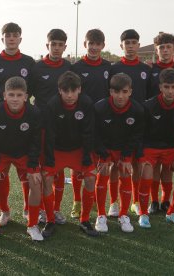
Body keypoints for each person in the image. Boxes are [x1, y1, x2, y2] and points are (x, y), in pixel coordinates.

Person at [0, 23, 36, 226]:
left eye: (15, 35)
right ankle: (4, 212)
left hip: (23, 121)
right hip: (0, 121)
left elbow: (35, 90)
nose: (11, 38)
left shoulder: (29, 62)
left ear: (20, 39)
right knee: (1, 173)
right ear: (2, 38)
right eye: (8, 35)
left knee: (26, 172)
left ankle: (26, 208)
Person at [0, 77, 42, 242]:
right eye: (11, 94)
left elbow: (35, 143)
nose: (15, 98)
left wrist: (32, 168)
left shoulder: (34, 113)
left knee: (36, 181)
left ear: (26, 96)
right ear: (4, 95)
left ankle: (32, 225)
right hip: (1, 153)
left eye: (19, 95)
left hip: (24, 153)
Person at [41, 71, 98, 238]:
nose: (70, 95)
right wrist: (49, 159)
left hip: (78, 149)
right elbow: (49, 135)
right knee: (47, 178)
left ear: (79, 90)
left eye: (73, 91)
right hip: (58, 150)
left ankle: (85, 220)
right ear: (60, 90)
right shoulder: (52, 105)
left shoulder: (86, 103)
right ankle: (50, 221)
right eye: (66, 91)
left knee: (90, 178)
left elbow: (89, 132)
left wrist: (87, 157)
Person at [138, 68, 174, 228]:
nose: (170, 91)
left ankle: (172, 212)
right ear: (160, 87)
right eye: (166, 87)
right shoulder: (148, 106)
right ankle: (143, 214)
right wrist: (141, 155)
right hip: (150, 147)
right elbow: (140, 134)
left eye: (173, 87)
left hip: (172, 148)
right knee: (146, 175)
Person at [29, 28, 71, 224]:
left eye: (60, 45)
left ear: (65, 47)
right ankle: (37, 210)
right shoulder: (37, 68)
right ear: (47, 45)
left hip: (62, 126)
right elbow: (26, 96)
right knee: (39, 168)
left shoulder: (69, 67)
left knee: (58, 168)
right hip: (40, 126)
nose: (56, 48)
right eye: (53, 44)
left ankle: (55, 209)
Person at [94, 73, 144, 233]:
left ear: (130, 91)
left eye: (124, 91)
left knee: (125, 174)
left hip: (123, 149)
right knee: (102, 174)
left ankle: (123, 214)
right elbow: (95, 134)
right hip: (105, 149)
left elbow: (136, 135)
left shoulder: (137, 109)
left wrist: (126, 157)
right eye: (116, 92)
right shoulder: (100, 107)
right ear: (111, 92)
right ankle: (101, 215)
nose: (120, 96)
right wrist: (104, 156)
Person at [109, 29, 151, 217]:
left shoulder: (145, 70)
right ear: (121, 46)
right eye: (127, 43)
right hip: (117, 122)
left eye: (134, 42)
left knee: (136, 164)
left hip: (139, 122)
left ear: (139, 45)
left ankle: (134, 201)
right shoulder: (114, 68)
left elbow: (149, 96)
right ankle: (113, 203)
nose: (131, 46)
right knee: (115, 165)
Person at [70, 29, 111, 219]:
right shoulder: (76, 67)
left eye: (97, 44)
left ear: (102, 45)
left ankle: (95, 199)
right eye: (90, 43)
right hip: (81, 119)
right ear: (85, 44)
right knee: (79, 160)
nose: (94, 47)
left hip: (103, 120)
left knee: (100, 158)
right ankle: (77, 201)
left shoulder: (109, 67)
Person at [147, 33, 174, 214]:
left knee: (168, 167)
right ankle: (154, 201)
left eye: (168, 47)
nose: (165, 50)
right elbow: (147, 94)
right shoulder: (150, 69)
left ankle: (166, 200)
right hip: (154, 121)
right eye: (161, 47)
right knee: (155, 166)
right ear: (156, 50)